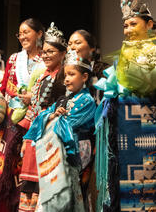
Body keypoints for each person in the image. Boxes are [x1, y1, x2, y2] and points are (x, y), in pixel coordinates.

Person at [96, 0, 156, 212]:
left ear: (149, 24)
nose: (128, 29)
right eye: (125, 25)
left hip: (154, 124)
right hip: (126, 126)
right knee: (125, 176)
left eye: (133, 24)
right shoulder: (124, 52)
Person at [23, 50, 96, 212]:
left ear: (84, 77)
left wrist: (53, 117)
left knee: (69, 191)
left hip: (74, 151)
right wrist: (52, 116)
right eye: (65, 75)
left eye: (72, 74)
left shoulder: (87, 100)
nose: (67, 79)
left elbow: (67, 124)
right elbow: (44, 116)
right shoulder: (64, 99)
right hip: (57, 151)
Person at [0, 18, 45, 212]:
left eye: (27, 32)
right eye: (20, 33)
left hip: (32, 121)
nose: (22, 37)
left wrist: (33, 98)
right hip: (8, 122)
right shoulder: (13, 59)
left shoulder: (46, 58)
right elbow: (3, 88)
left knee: (23, 169)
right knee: (3, 169)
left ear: (40, 34)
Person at [19, 23, 67, 212]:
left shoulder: (64, 77)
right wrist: (28, 137)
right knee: (29, 183)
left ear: (63, 54)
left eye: (51, 51)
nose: (46, 55)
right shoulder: (42, 77)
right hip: (36, 133)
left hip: (51, 133)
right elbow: (34, 107)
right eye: (44, 51)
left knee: (46, 181)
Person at [67, 29, 110, 209]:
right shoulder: (69, 71)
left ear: (91, 48)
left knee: (89, 187)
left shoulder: (104, 71)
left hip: (96, 136)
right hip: (73, 138)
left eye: (77, 43)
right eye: (70, 44)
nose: (72, 47)